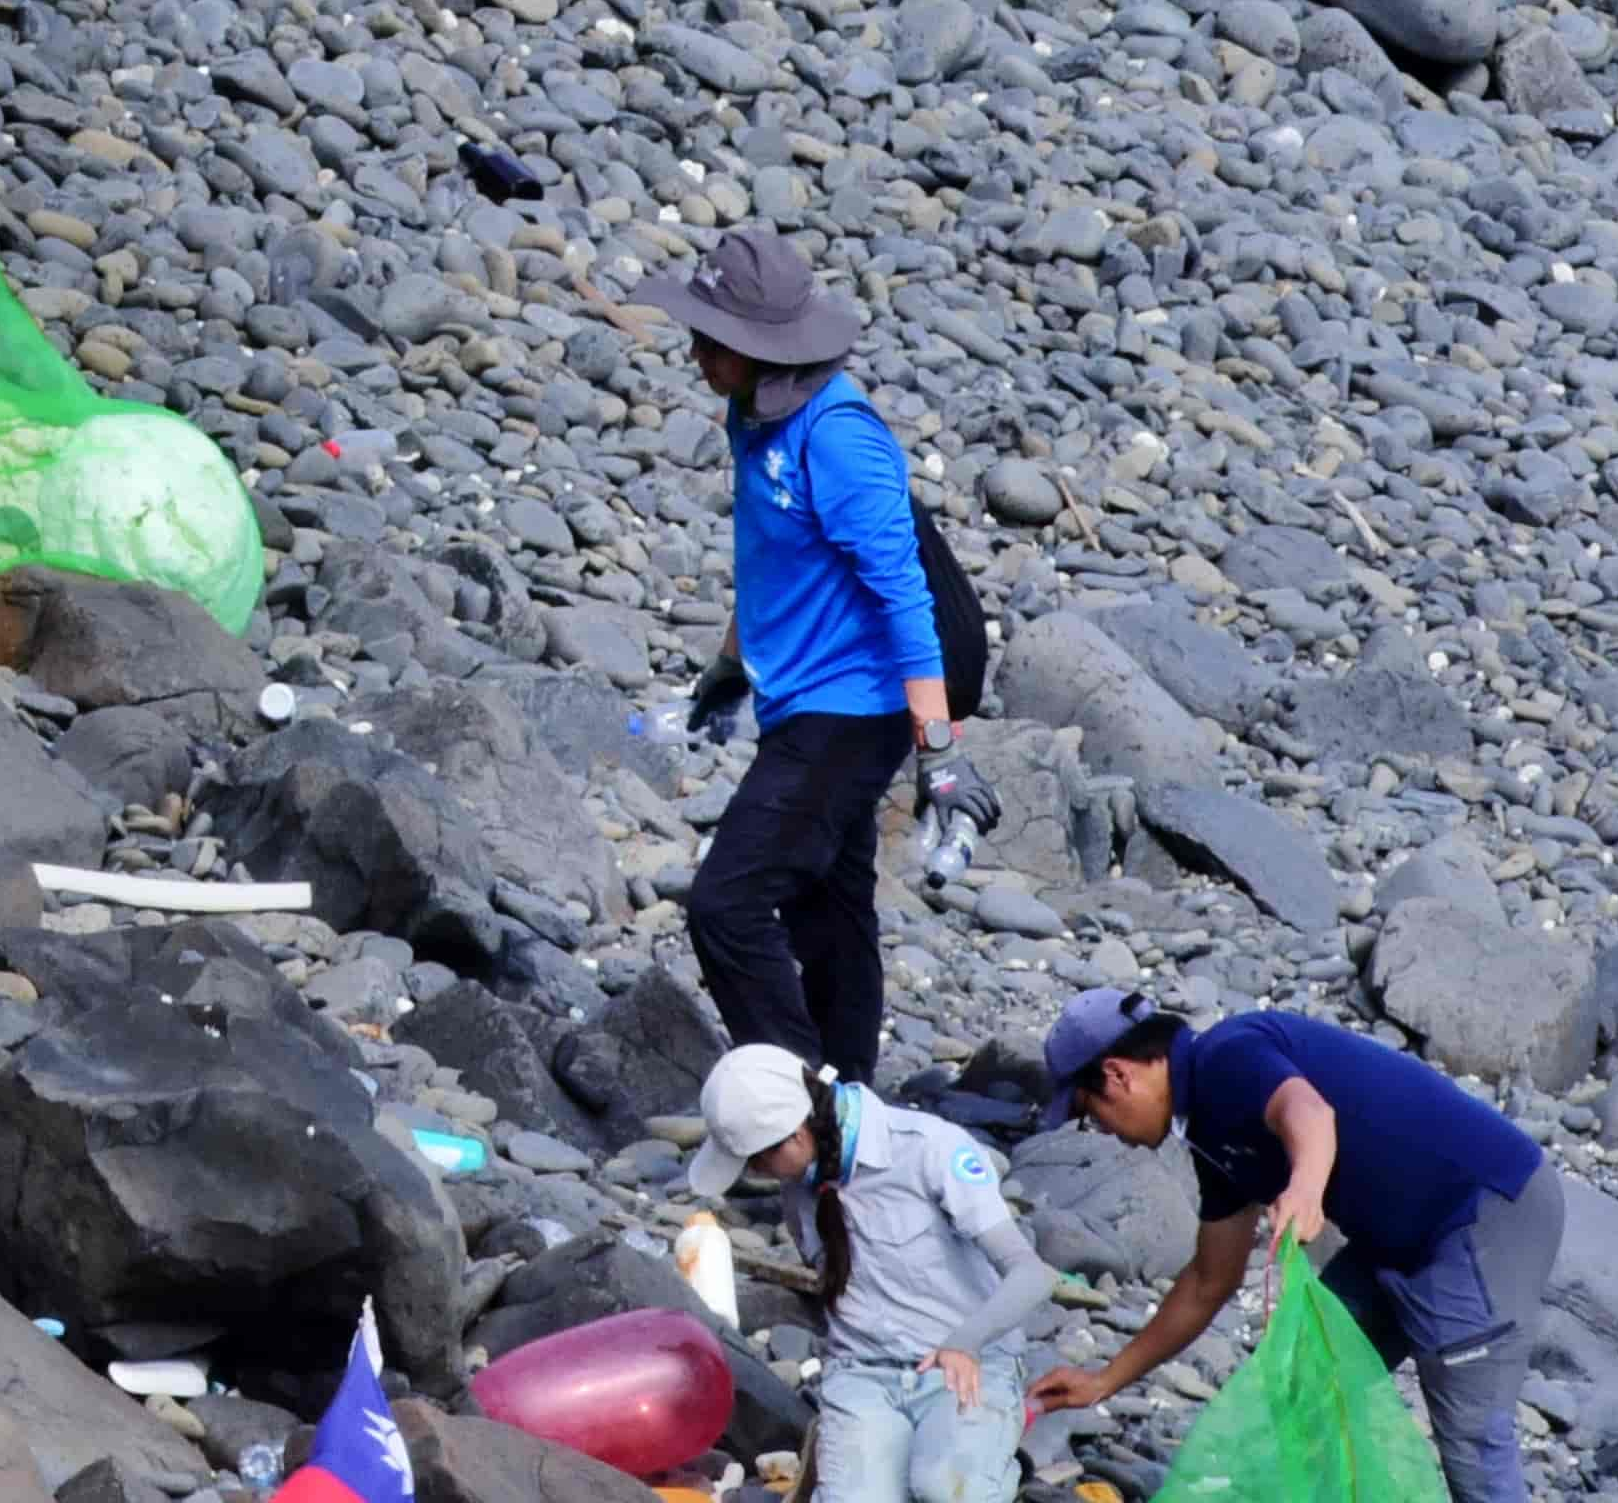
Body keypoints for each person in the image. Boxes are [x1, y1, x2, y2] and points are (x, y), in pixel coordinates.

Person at [1030, 990, 1563, 1503]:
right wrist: (1103, 1381)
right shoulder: (1211, 1139)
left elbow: (1308, 1113)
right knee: (1303, 1385)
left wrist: (1305, 1190)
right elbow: (1208, 1282)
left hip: (1483, 1209)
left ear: (1115, 1075)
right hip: (1392, 1239)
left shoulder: (1226, 1056)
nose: (1100, 1131)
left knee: (1470, 1431)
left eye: (1086, 1113)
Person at [663, 227, 955, 1087]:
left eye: (712, 342)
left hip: (852, 713)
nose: (696, 353)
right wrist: (727, 666)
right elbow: (769, 560)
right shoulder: (751, 411)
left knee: (727, 904)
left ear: (763, 347)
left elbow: (905, 595)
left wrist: (937, 753)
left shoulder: (839, 438)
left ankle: (801, 1108)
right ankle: (852, 1104)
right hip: (797, 697)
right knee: (830, 910)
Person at [697, 1044, 1056, 1503]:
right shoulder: (800, 1187)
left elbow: (1032, 1274)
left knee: (945, 1491)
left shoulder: (930, 1148)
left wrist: (964, 1342)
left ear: (795, 1135)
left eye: (756, 1160)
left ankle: (999, 1462)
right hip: (862, 1373)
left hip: (965, 1369)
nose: (755, 1173)